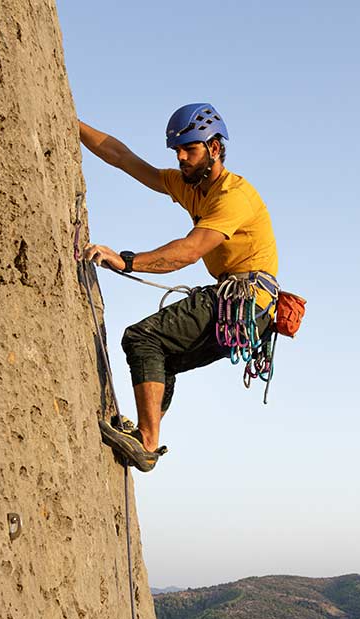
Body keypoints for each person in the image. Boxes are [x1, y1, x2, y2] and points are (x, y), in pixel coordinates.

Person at [79, 103, 278, 472]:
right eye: (177, 151)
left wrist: (126, 260)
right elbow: (123, 158)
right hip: (246, 309)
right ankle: (146, 436)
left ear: (215, 148)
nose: (182, 158)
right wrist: (70, 123)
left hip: (246, 301)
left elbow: (189, 250)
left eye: (190, 149)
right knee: (161, 354)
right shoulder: (189, 186)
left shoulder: (234, 195)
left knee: (142, 339)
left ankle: (147, 442)